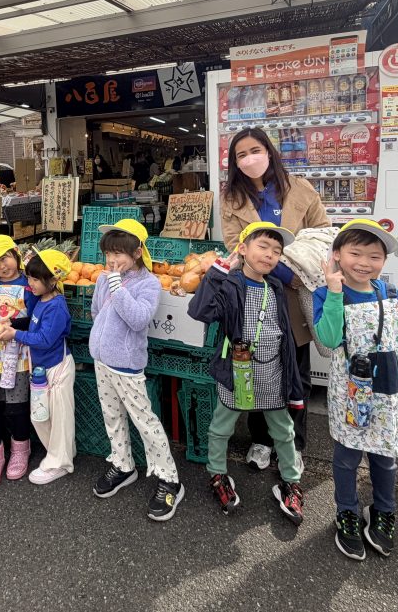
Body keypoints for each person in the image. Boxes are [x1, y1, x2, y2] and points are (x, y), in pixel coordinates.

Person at [313, 219, 398, 560]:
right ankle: (347, 512)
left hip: (387, 394)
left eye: (375, 256)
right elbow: (328, 339)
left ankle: (383, 511)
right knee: (347, 457)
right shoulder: (326, 293)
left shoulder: (391, 294)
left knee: (385, 460)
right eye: (355, 253)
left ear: (384, 261)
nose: (364, 263)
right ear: (337, 255)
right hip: (349, 393)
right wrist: (335, 294)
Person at [220, 127, 330, 471]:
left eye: (255, 150)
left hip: (297, 296)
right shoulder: (231, 198)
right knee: (255, 368)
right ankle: (261, 439)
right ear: (235, 163)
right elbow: (231, 243)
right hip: (256, 293)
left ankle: (295, 442)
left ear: (269, 151)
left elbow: (323, 233)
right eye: (241, 155)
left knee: (297, 372)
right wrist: (283, 272)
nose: (249, 158)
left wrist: (301, 272)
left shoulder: (300, 189)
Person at [188, 222, 306, 523]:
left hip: (272, 372)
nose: (269, 255)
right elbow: (199, 311)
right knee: (222, 425)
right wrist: (216, 272)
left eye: (276, 251)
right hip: (237, 370)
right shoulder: (230, 283)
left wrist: (291, 374)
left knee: (282, 428)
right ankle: (217, 474)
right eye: (262, 247)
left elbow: (284, 334)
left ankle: (291, 481)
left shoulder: (275, 286)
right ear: (242, 249)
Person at [89, 218, 184, 521]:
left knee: (145, 420)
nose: (112, 260)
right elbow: (96, 312)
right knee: (112, 416)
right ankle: (123, 464)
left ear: (138, 251)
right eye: (109, 253)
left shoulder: (149, 283)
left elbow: (139, 319)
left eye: (119, 253)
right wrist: (101, 341)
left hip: (127, 366)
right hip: (102, 360)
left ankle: (170, 478)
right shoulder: (103, 279)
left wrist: (117, 286)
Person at [0, 249, 75, 485]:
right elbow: (33, 323)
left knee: (59, 418)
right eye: (29, 277)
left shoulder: (57, 306)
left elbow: (45, 339)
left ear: (52, 280)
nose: (29, 283)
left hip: (57, 367)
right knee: (41, 416)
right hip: (40, 368)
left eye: (35, 279)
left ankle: (60, 463)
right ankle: (60, 453)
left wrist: (15, 334)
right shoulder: (42, 300)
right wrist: (13, 322)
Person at [0, 234, 39, 491]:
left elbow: (36, 319)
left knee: (16, 408)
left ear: (16, 255)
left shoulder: (30, 286)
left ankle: (20, 450)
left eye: (6, 258)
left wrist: (14, 324)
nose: (3, 266)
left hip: (19, 355)